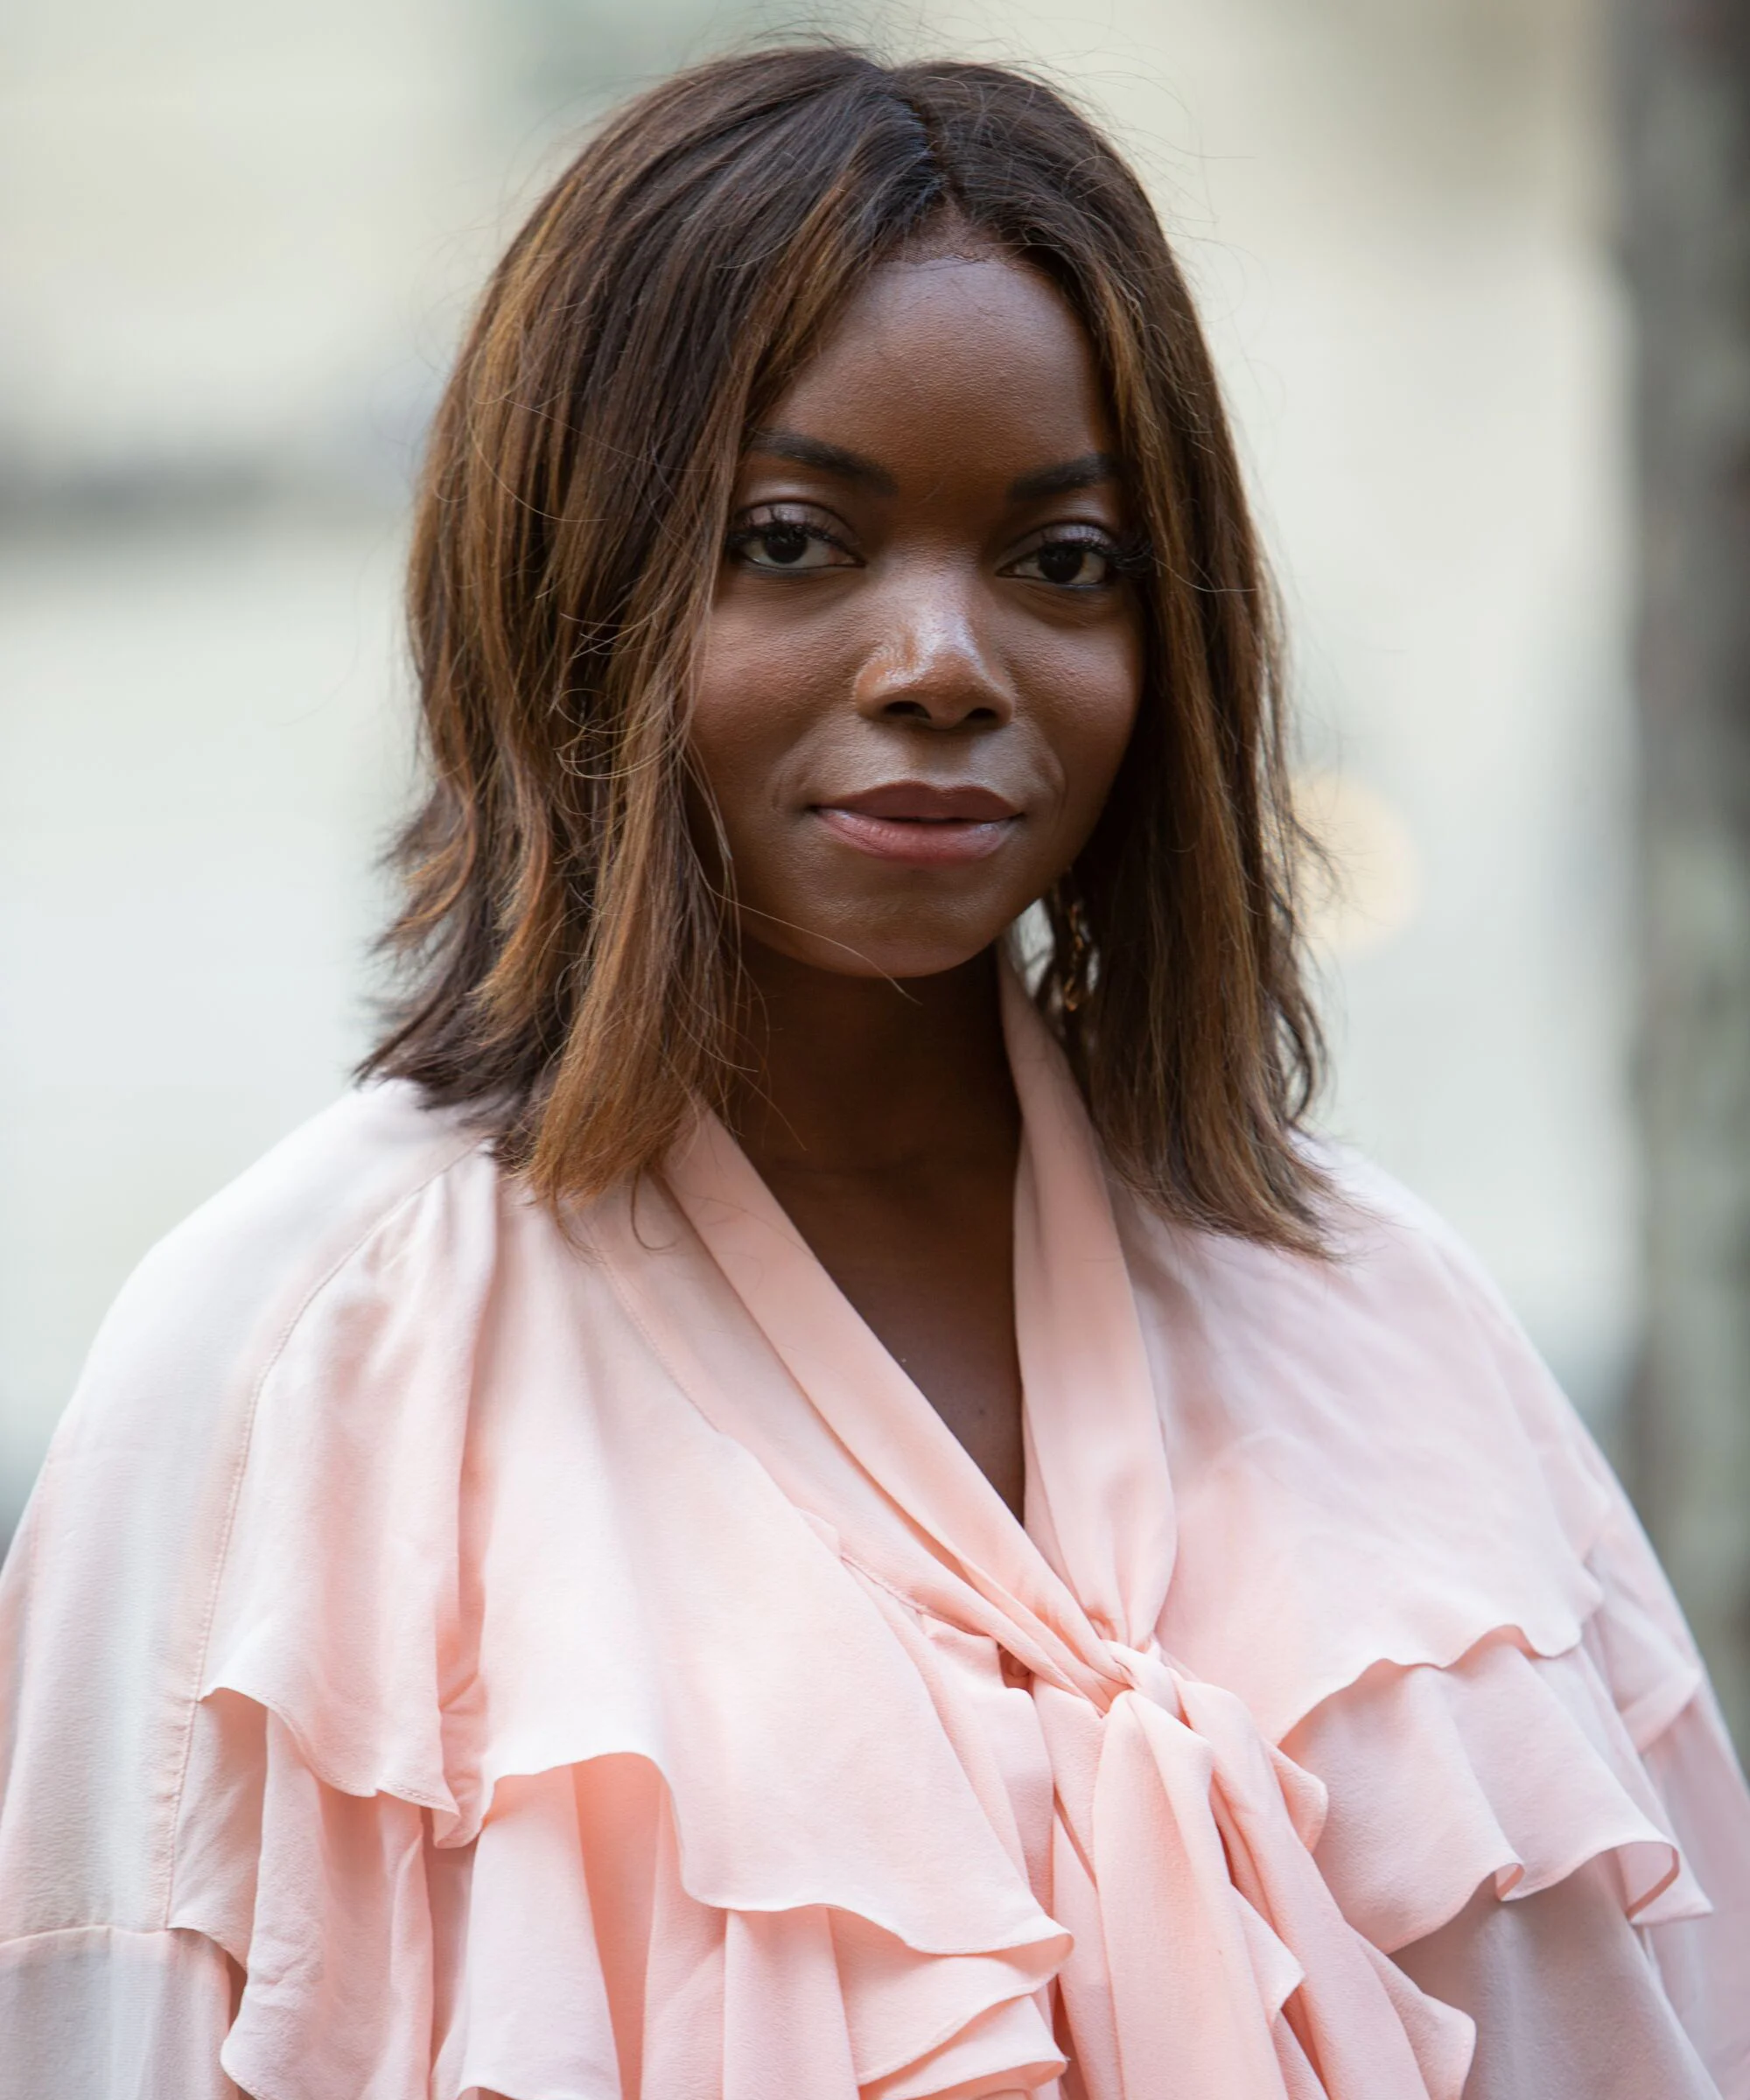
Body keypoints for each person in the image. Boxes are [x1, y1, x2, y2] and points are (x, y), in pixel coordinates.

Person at [0, 45, 1745, 2100]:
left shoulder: (1390, 1314)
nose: (944, 661)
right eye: (795, 541)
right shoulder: (285, 1359)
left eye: (1063, 559)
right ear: (576, 591)